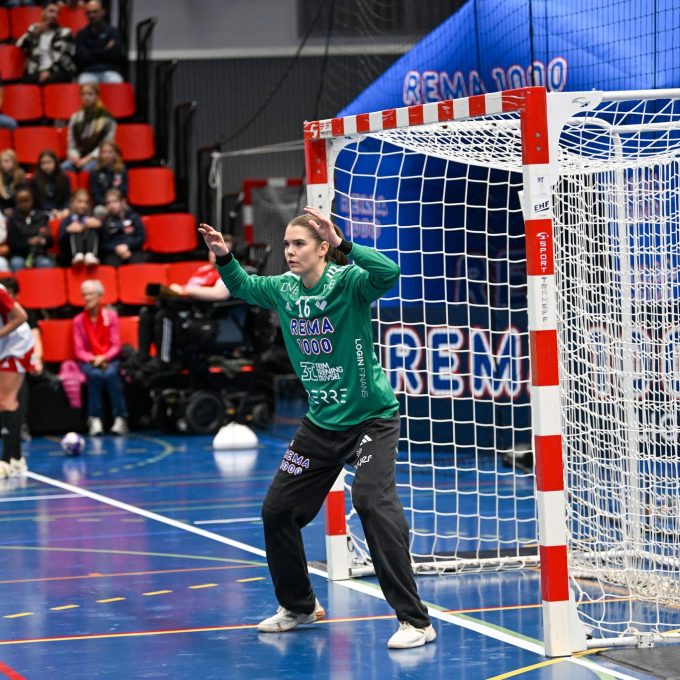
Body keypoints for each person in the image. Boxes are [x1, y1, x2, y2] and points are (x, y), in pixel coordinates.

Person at [198, 207, 436, 650]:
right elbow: (244, 287)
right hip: (321, 424)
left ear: (323, 248)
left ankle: (415, 621)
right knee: (277, 511)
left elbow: (389, 273)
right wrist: (224, 256)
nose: (290, 251)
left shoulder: (348, 283)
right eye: (286, 244)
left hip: (371, 420)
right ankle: (300, 606)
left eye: (299, 243)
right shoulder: (284, 289)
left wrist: (347, 245)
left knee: (371, 502)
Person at [137, 245, 232, 365]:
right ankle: (142, 358)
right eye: (211, 250)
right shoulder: (203, 270)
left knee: (164, 315)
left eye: (218, 250)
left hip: (203, 314)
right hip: (185, 305)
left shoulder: (229, 272)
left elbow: (219, 294)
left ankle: (164, 361)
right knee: (146, 313)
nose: (213, 253)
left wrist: (186, 290)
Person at [73, 278, 128, 436]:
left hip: (110, 359)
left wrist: (104, 358)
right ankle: (94, 419)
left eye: (90, 294)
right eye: (84, 295)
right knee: (95, 375)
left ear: (99, 296)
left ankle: (121, 418)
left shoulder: (111, 317)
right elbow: (79, 350)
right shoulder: (78, 321)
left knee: (111, 374)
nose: (86, 298)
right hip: (89, 361)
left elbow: (116, 345)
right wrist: (93, 359)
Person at [0, 280, 34, 478]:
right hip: (3, 346)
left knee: (6, 401)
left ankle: (6, 461)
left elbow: (21, 316)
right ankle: (16, 459)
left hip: (15, 345)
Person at [15, 0, 76, 84]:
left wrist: (49, 71)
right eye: (51, 11)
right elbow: (19, 45)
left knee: (55, 78)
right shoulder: (34, 29)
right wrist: (33, 34)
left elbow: (66, 57)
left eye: (57, 13)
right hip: (36, 72)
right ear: (42, 13)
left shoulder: (65, 33)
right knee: (24, 83)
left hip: (58, 71)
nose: (54, 15)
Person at [62, 82, 116, 173]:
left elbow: (107, 145)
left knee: (87, 170)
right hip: (79, 158)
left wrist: (88, 158)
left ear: (97, 96)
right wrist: (75, 157)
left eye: (90, 94)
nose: (86, 97)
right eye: (83, 94)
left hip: (99, 157)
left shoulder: (107, 119)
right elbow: (71, 145)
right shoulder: (75, 118)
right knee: (63, 168)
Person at [75, 0, 125, 84]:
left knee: (116, 81)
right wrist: (105, 49)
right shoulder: (81, 34)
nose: (91, 15)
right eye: (88, 13)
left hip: (110, 71)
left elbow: (115, 55)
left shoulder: (113, 32)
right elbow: (82, 58)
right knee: (83, 83)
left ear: (102, 12)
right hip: (88, 72)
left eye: (95, 12)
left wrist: (91, 52)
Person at [7, 186, 55, 270]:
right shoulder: (13, 219)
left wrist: (42, 241)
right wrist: (29, 242)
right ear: (16, 202)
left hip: (39, 253)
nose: (24, 204)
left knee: (45, 263)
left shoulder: (42, 217)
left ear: (32, 200)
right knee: (16, 263)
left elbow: (50, 243)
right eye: (21, 201)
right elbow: (12, 243)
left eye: (26, 200)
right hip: (19, 255)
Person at [98, 188, 145, 266]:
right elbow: (103, 243)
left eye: (114, 201)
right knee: (109, 263)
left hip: (132, 250)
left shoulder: (133, 217)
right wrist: (116, 248)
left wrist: (127, 246)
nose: (111, 205)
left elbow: (140, 237)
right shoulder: (105, 221)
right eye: (108, 203)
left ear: (123, 202)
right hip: (113, 252)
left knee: (139, 262)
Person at [58, 187, 101, 266]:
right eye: (79, 202)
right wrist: (68, 230)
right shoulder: (67, 220)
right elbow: (60, 243)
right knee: (75, 228)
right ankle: (78, 255)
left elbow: (103, 241)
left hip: (92, 259)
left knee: (92, 228)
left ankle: (90, 255)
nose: (83, 205)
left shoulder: (92, 219)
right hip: (70, 257)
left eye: (86, 202)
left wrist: (100, 227)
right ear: (72, 203)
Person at [31, 149, 72, 220]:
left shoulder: (64, 177)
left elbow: (67, 198)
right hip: (43, 211)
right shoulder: (35, 179)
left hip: (61, 210)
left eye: (49, 162)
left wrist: (66, 209)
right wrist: (52, 211)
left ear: (55, 162)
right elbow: (38, 201)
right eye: (43, 163)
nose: (46, 166)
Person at [89, 141, 127, 210]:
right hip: (103, 204)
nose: (107, 155)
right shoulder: (95, 172)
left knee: (127, 210)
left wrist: (115, 202)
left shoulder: (121, 170)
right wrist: (108, 203)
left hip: (118, 203)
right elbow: (95, 194)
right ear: (100, 155)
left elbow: (123, 190)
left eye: (110, 152)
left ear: (115, 154)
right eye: (104, 152)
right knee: (98, 210)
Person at [0, 149, 27, 216]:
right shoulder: (1, 177)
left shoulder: (20, 176)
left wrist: (14, 210)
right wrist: (4, 210)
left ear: (14, 162)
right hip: (3, 211)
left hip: (19, 210)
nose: (3, 164)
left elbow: (23, 199)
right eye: (1, 162)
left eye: (6, 161)